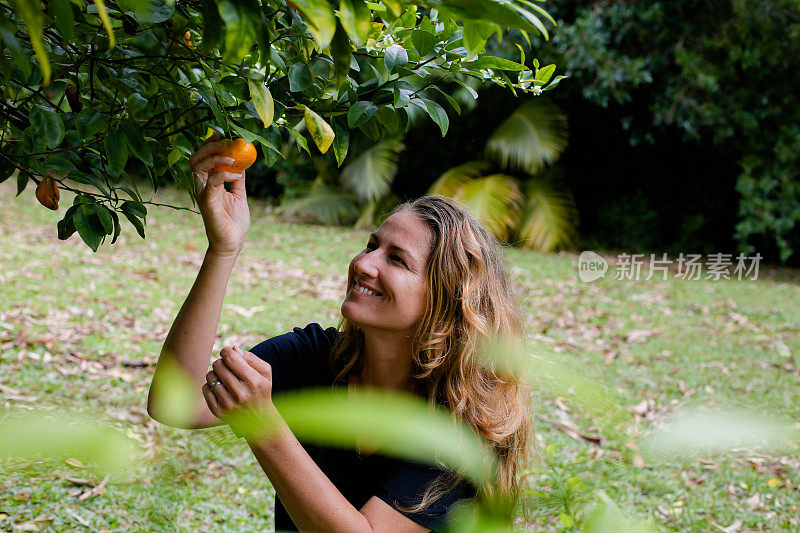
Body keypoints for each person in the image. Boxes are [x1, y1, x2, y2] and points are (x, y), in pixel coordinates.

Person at [147, 134, 533, 532]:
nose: (365, 263)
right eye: (372, 245)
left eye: (396, 260)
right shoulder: (313, 357)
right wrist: (223, 249)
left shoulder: (460, 430)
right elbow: (174, 404)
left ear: (447, 298)